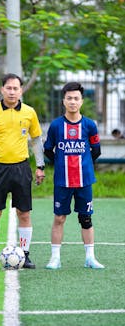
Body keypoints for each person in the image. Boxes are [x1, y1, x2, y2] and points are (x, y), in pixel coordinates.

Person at [0, 73, 45, 269]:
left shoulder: (30, 113)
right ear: (2, 90)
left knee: (24, 213)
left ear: (21, 90)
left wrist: (40, 166)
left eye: (16, 88)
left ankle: (25, 254)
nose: (12, 91)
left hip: (21, 168)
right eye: (9, 88)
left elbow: (36, 141)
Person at [44, 82, 104, 270]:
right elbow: (48, 150)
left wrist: (84, 163)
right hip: (63, 181)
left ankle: (90, 258)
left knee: (86, 218)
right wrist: (60, 163)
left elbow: (96, 150)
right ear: (63, 101)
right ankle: (55, 258)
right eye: (69, 98)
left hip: (84, 180)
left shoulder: (89, 125)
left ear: (82, 101)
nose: (72, 101)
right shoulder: (56, 125)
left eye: (76, 98)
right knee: (59, 218)